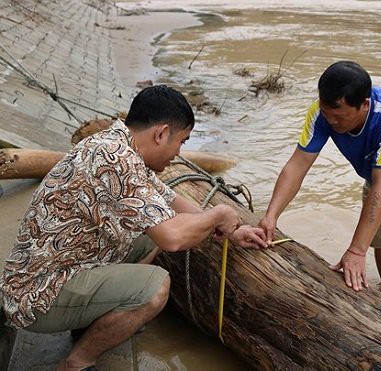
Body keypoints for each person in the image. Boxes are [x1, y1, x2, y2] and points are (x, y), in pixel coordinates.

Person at [0, 85, 267, 371]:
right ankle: (77, 362)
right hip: (37, 298)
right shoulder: (116, 161)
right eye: (181, 141)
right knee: (155, 289)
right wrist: (218, 214)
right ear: (161, 133)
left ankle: (92, 322)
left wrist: (232, 229)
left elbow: (168, 200)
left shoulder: (116, 144)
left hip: (54, 272)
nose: (178, 153)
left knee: (148, 233)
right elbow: (172, 239)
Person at [259, 61, 381, 310]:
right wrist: (271, 216)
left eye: (340, 116)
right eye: (327, 114)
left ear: (364, 104)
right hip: (376, 178)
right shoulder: (321, 112)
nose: (332, 122)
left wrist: (356, 252)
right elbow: (297, 165)